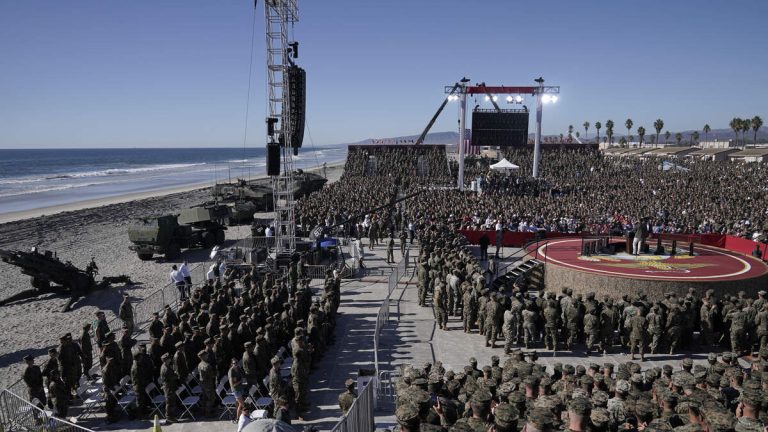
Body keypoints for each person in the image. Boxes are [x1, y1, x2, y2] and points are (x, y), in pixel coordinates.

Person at [228, 357, 246, 422]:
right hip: (236, 390)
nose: (236, 364)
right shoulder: (231, 372)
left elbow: (242, 375)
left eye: (236, 363)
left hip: (240, 388)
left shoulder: (238, 368)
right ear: (231, 364)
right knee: (242, 404)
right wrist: (240, 381)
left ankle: (235, 417)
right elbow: (233, 385)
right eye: (234, 363)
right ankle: (238, 419)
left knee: (238, 404)